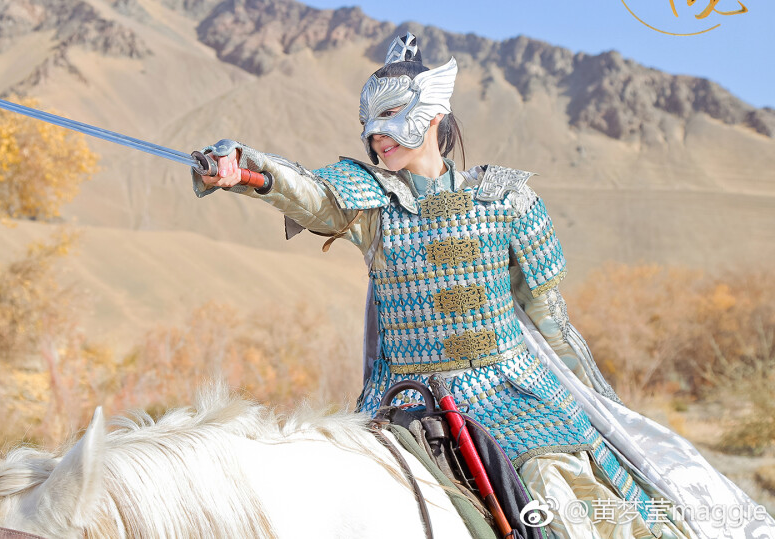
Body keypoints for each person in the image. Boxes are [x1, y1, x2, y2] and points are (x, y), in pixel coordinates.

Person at [192, 33, 773, 539]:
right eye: (368, 123)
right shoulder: (369, 202)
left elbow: (549, 317)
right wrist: (244, 169)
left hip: (511, 393)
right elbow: (310, 194)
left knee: (558, 498)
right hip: (407, 398)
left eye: (391, 118)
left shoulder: (508, 200)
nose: (376, 135)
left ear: (434, 116)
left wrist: (601, 407)